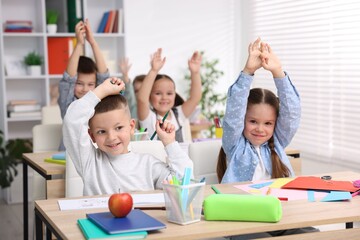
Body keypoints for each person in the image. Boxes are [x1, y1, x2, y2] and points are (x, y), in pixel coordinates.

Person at [222, 38, 318, 239]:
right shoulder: (235, 144)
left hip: (282, 216)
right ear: (243, 121)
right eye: (253, 121)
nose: (260, 129)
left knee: (312, 234)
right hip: (244, 221)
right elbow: (234, 110)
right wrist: (248, 72)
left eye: (268, 123)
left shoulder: (278, 143)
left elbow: (292, 112)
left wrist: (278, 72)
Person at [62, 77, 193, 196]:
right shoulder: (89, 161)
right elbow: (72, 119)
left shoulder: (148, 164)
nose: (111, 137)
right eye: (102, 131)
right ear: (92, 135)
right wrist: (102, 90)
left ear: (131, 127)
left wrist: (170, 143)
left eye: (118, 128)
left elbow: (184, 181)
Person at [58, 19, 109, 150]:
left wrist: (92, 42)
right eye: (79, 83)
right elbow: (68, 79)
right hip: (70, 158)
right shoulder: (68, 103)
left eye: (91, 84)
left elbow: (104, 77)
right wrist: (79, 44)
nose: (85, 89)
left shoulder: (97, 100)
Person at [137, 48, 202, 142]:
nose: (164, 97)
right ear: (150, 96)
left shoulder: (179, 114)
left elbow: (195, 98)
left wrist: (195, 73)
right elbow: (141, 99)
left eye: (169, 93)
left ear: (175, 95)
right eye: (158, 93)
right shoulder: (148, 117)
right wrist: (154, 70)